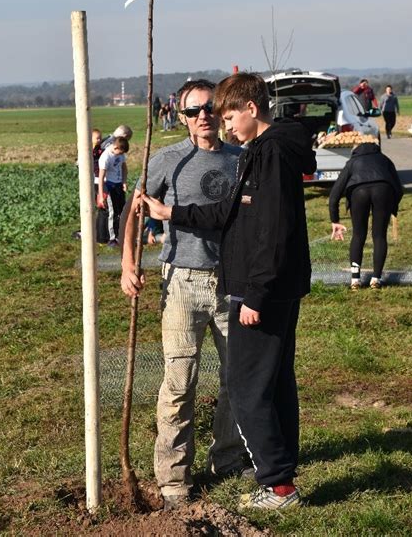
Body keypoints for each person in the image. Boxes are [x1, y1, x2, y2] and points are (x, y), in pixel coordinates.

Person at [142, 72, 316, 512]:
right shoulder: (260, 152)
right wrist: (173, 212)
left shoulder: (269, 154)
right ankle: (282, 476)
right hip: (256, 285)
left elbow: (273, 231)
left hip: (261, 291)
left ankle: (277, 486)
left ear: (252, 110)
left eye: (228, 115)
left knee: (246, 387)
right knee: (274, 384)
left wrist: (255, 294)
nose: (223, 125)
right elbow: (232, 212)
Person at [121, 79, 247, 511]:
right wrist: (127, 264)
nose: (204, 116)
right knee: (180, 381)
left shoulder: (241, 159)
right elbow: (134, 211)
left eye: (210, 107)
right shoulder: (168, 160)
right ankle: (174, 479)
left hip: (232, 283)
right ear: (182, 117)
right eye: (194, 111)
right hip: (182, 283)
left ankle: (228, 459)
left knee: (237, 378)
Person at [329, 142, 403, 289]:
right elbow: (399, 188)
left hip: (358, 192)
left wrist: (335, 220)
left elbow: (334, 194)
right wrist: (392, 206)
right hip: (384, 190)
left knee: (358, 235)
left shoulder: (352, 162)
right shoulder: (385, 159)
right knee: (379, 236)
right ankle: (376, 278)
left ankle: (355, 280)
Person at [97, 136, 129, 247]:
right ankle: (112, 238)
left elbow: (124, 167)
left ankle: (121, 234)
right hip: (109, 185)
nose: (121, 155)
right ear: (115, 148)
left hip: (119, 184)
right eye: (120, 152)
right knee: (113, 212)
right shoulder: (105, 157)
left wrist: (124, 181)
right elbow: (101, 177)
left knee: (122, 210)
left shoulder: (121, 154)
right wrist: (101, 195)